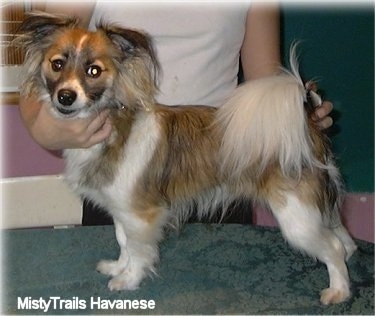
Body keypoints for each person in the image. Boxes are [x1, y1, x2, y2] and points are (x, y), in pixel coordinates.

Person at [19, 1, 334, 225]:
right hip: (118, 170)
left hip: (217, 168)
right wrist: (46, 129)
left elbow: (265, 80)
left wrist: (293, 115)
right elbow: (45, 66)